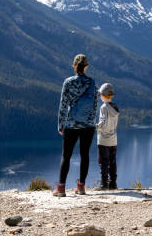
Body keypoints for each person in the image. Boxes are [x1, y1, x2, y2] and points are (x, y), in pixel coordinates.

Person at [53, 54, 98, 197]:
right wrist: (91, 122)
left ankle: (60, 189)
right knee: (85, 155)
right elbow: (95, 105)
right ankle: (81, 187)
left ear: (74, 66)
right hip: (88, 126)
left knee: (66, 156)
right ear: (86, 67)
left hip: (71, 125)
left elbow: (63, 105)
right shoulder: (91, 82)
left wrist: (61, 124)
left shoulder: (68, 82)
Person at [94, 83, 120, 190]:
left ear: (103, 95)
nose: (100, 96)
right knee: (112, 162)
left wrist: (95, 127)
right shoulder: (115, 107)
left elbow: (103, 123)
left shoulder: (104, 107)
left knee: (103, 163)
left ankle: (104, 184)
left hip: (103, 140)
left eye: (100, 94)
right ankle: (113, 183)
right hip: (113, 140)